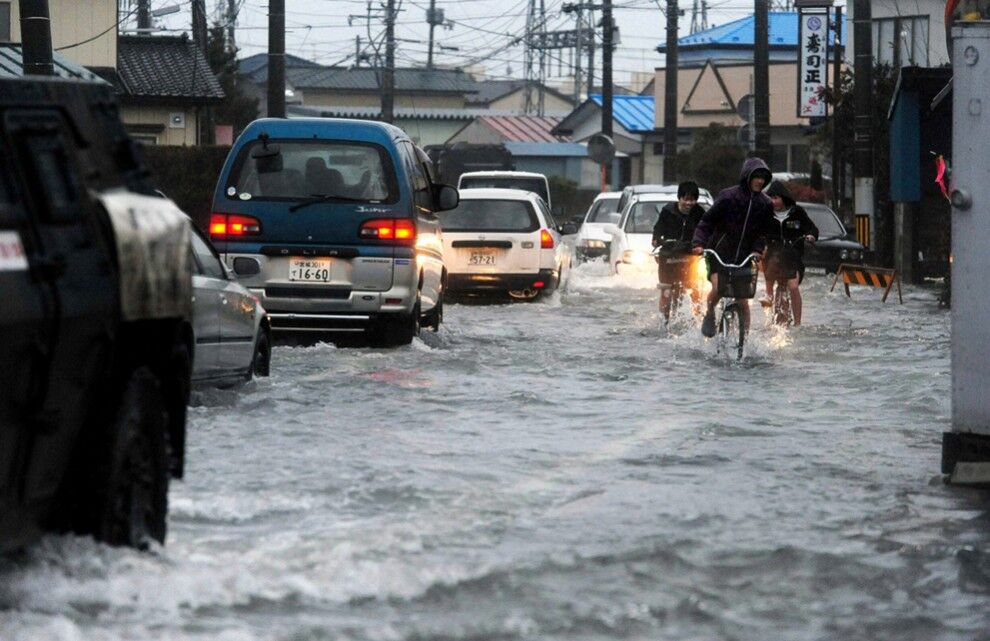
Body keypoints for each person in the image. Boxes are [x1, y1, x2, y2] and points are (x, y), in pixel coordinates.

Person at [691, 158, 775, 337]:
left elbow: (764, 232)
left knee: (743, 300)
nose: (760, 181)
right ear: (747, 176)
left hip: (745, 257)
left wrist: (758, 250)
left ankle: (744, 340)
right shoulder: (728, 196)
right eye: (756, 177)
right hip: (719, 253)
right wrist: (698, 243)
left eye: (763, 178)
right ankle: (710, 312)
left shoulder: (766, 204)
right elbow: (707, 221)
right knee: (719, 288)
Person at [760, 180, 819, 326]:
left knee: (793, 286)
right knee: (770, 263)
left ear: (783, 197)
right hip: (773, 257)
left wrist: (811, 236)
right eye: (770, 198)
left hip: (793, 258)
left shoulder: (797, 212)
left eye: (776, 198)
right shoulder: (765, 214)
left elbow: (812, 228)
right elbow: (756, 231)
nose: (773, 201)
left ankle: (798, 323)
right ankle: (768, 296)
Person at [652, 181, 705, 324]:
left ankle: (698, 321)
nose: (689, 203)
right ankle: (664, 320)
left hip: (690, 256)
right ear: (679, 198)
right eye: (686, 199)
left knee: (695, 288)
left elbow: (706, 231)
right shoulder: (668, 211)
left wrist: (701, 246)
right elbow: (658, 229)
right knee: (666, 290)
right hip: (669, 255)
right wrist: (656, 240)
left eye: (692, 199)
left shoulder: (700, 213)